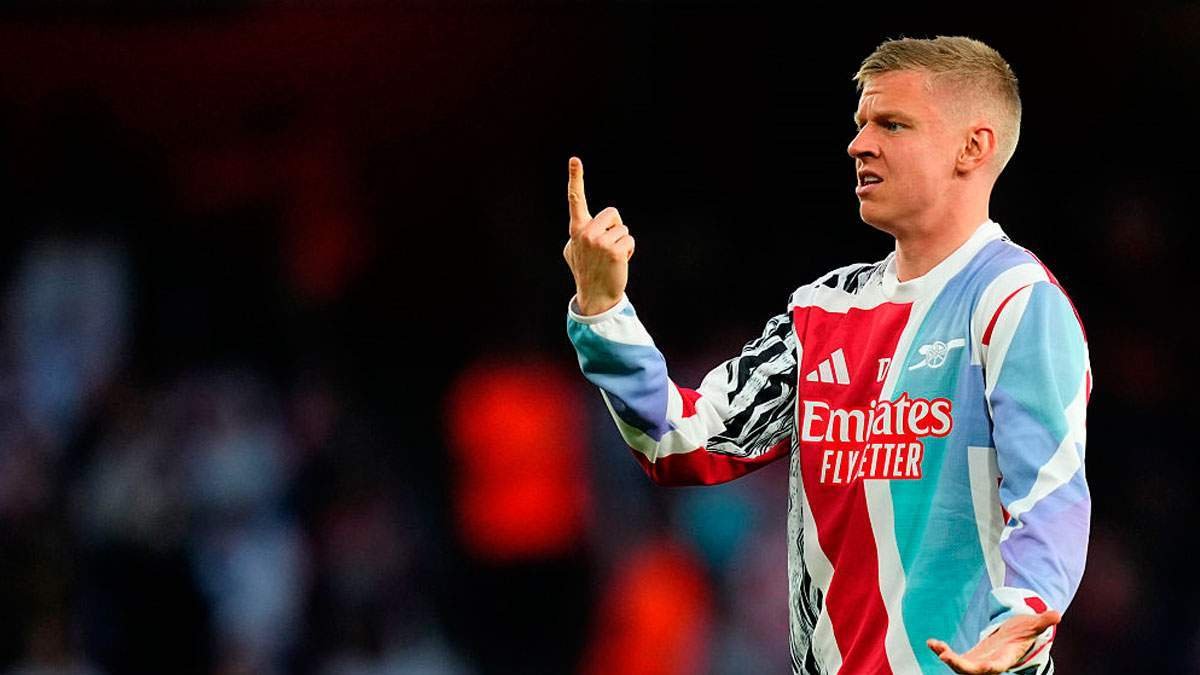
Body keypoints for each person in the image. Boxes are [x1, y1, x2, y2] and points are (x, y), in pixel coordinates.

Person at [561, 35, 1090, 675]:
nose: (859, 144)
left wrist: (1022, 622)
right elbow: (679, 442)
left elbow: (1051, 496)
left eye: (892, 124)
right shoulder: (822, 312)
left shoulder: (1014, 300)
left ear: (972, 148)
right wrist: (604, 309)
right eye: (861, 124)